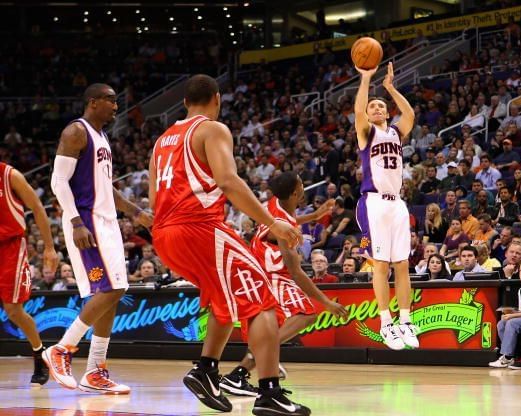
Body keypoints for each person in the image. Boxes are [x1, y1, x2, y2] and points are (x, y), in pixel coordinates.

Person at [149, 74, 309, 415]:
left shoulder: (162, 140)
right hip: (198, 228)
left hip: (164, 235)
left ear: (183, 103)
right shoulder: (211, 129)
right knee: (263, 299)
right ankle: (270, 393)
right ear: (217, 99)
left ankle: (206, 370)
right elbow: (228, 180)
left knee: (226, 298)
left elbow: (154, 198)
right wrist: (272, 222)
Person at [45, 83, 152, 394]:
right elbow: (57, 181)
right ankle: (62, 349)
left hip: (106, 221)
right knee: (111, 288)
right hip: (87, 222)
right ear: (92, 102)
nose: (116, 107)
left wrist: (135, 212)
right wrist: (77, 222)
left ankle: (95, 370)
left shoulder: (102, 136)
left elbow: (107, 186)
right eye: (110, 101)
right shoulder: (75, 132)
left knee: (116, 292)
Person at [219, 172, 347, 397]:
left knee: (270, 331)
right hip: (271, 275)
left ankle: (237, 376)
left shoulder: (275, 204)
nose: (304, 186)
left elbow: (287, 220)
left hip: (259, 271)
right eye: (301, 183)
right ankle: (263, 356)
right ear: (296, 192)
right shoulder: (284, 231)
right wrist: (326, 302)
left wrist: (315, 216)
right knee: (307, 313)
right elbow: (296, 273)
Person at [354, 61, 418, 350]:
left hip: (397, 203)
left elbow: (410, 114)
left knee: (402, 263)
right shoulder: (368, 134)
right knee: (381, 265)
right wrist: (366, 79)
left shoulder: (395, 132)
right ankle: (385, 323)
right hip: (374, 202)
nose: (377, 108)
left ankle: (405, 321)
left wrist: (390, 88)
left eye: (381, 106)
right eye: (373, 107)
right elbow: (358, 111)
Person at [0, 162, 59, 385]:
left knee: (14, 310)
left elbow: (37, 207)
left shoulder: (9, 174)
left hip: (10, 247)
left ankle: (39, 354)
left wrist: (49, 247)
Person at [489, 259, 521, 368]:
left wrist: (513, 315)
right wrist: (510, 312)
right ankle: (512, 356)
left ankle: (506, 357)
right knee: (501, 323)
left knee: (512, 323)